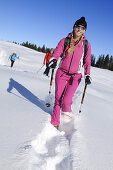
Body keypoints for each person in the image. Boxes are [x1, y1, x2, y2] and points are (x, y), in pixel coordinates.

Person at [48, 17, 91, 128]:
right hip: (61, 73)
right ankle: (55, 122)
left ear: (84, 30)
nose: (79, 29)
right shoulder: (65, 41)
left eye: (82, 28)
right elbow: (57, 52)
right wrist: (53, 60)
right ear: (74, 27)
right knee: (58, 98)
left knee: (66, 101)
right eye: (78, 26)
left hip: (75, 76)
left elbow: (87, 61)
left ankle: (66, 114)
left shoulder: (86, 44)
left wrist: (87, 74)